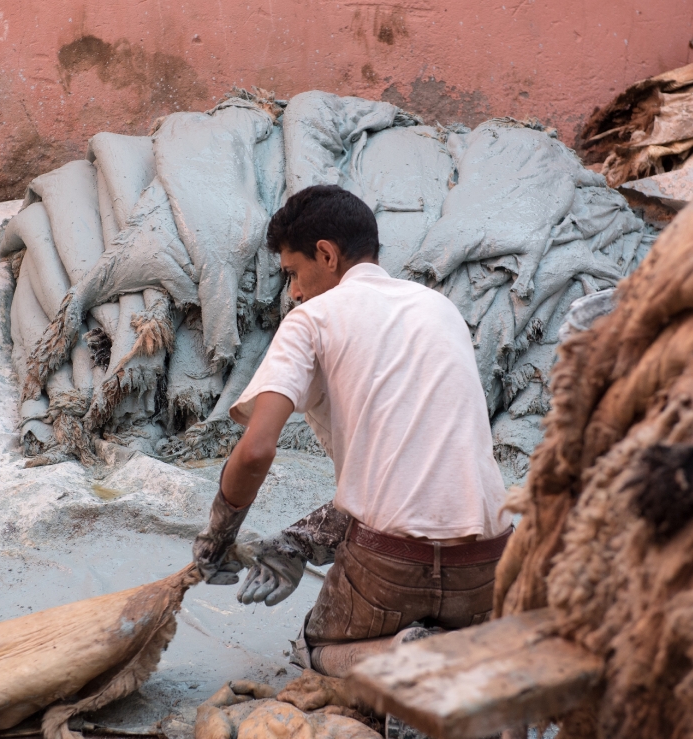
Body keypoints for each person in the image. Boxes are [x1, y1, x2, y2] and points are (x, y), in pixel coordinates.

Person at [192, 184, 512, 680]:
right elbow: (414, 472)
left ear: (327, 254)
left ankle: (403, 656)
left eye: (294, 273)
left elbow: (255, 451)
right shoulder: (440, 310)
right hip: (490, 563)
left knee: (313, 651)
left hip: (391, 568)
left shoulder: (311, 320)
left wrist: (216, 540)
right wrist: (298, 542)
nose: (294, 292)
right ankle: (453, 646)